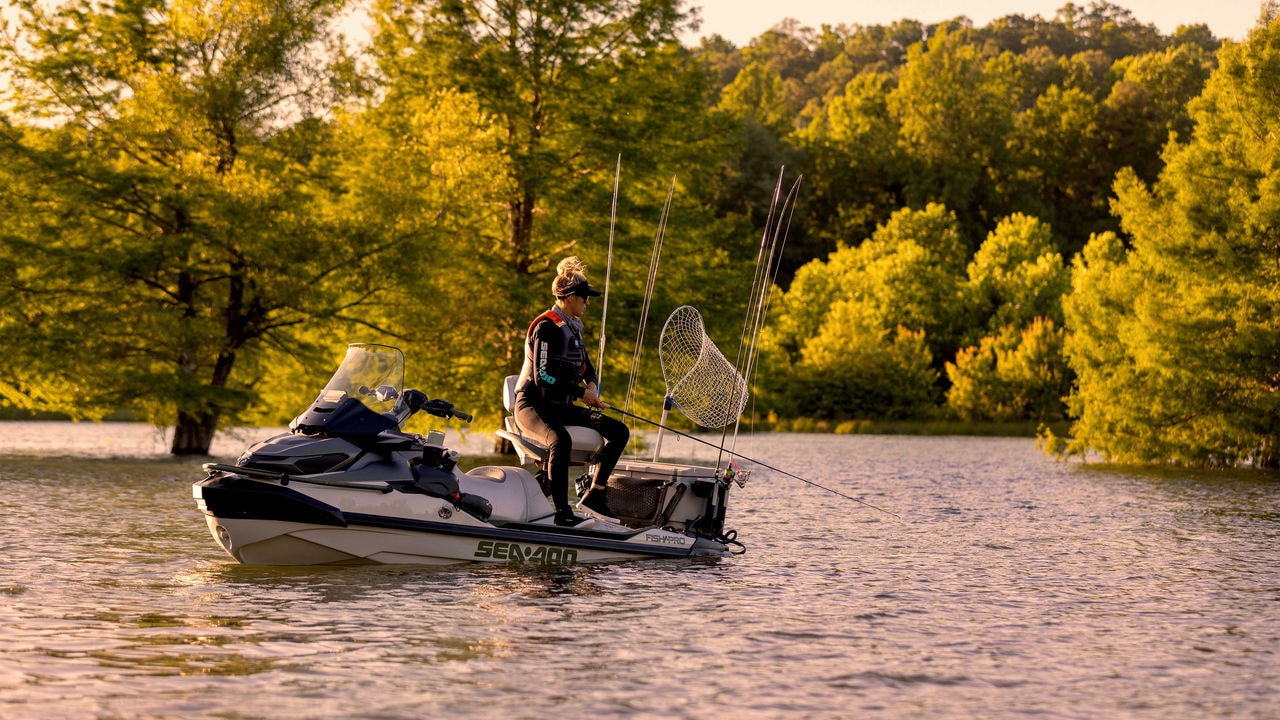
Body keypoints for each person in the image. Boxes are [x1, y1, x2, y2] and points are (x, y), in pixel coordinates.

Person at [514, 257, 630, 526]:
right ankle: (562, 514)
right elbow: (541, 377)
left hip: (559, 406)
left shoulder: (572, 329)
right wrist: (581, 395)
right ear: (569, 298)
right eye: (584, 298)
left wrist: (591, 386)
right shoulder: (546, 328)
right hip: (532, 405)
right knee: (560, 441)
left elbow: (588, 369)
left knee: (619, 432)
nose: (588, 303)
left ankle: (595, 495)